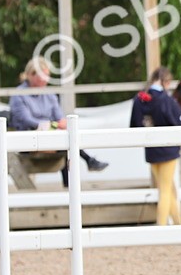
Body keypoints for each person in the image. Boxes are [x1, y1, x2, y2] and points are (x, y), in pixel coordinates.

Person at [8, 57, 107, 185]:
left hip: (49, 136)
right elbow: (26, 120)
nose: (46, 79)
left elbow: (59, 116)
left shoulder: (49, 95)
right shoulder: (19, 95)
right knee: (66, 142)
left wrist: (61, 123)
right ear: (31, 75)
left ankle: (72, 183)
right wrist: (50, 124)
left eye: (47, 76)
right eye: (43, 75)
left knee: (66, 138)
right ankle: (85, 164)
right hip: (28, 138)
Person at [131, 67, 181, 225]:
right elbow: (179, 121)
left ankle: (179, 224)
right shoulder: (165, 100)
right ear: (166, 82)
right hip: (168, 150)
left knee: (168, 188)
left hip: (150, 149)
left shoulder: (140, 99)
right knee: (165, 190)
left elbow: (135, 125)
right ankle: (161, 225)